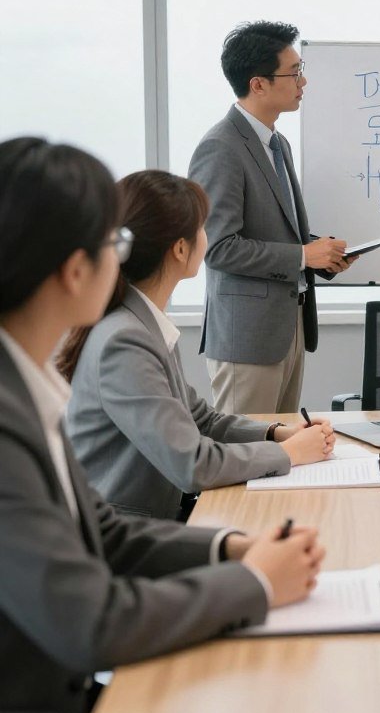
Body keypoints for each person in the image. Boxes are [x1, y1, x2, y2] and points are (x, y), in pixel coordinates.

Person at [0, 138, 325, 713]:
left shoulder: (27, 387)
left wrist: (233, 547)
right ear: (76, 270)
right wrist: (256, 583)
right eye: (112, 241)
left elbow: (107, 532)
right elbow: (91, 622)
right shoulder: (16, 417)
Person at [59, 170, 336, 522]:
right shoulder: (124, 340)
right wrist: (289, 454)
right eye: (203, 228)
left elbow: (201, 419)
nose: (208, 237)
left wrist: (278, 434)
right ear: (179, 248)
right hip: (125, 537)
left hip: (154, 521)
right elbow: (192, 464)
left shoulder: (141, 322)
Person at [189, 20, 354, 414]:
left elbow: (279, 229)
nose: (303, 82)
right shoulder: (220, 147)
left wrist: (322, 254)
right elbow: (218, 248)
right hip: (247, 337)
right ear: (258, 83)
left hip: (288, 326)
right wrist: (302, 257)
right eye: (294, 72)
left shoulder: (276, 142)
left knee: (279, 457)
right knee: (245, 457)